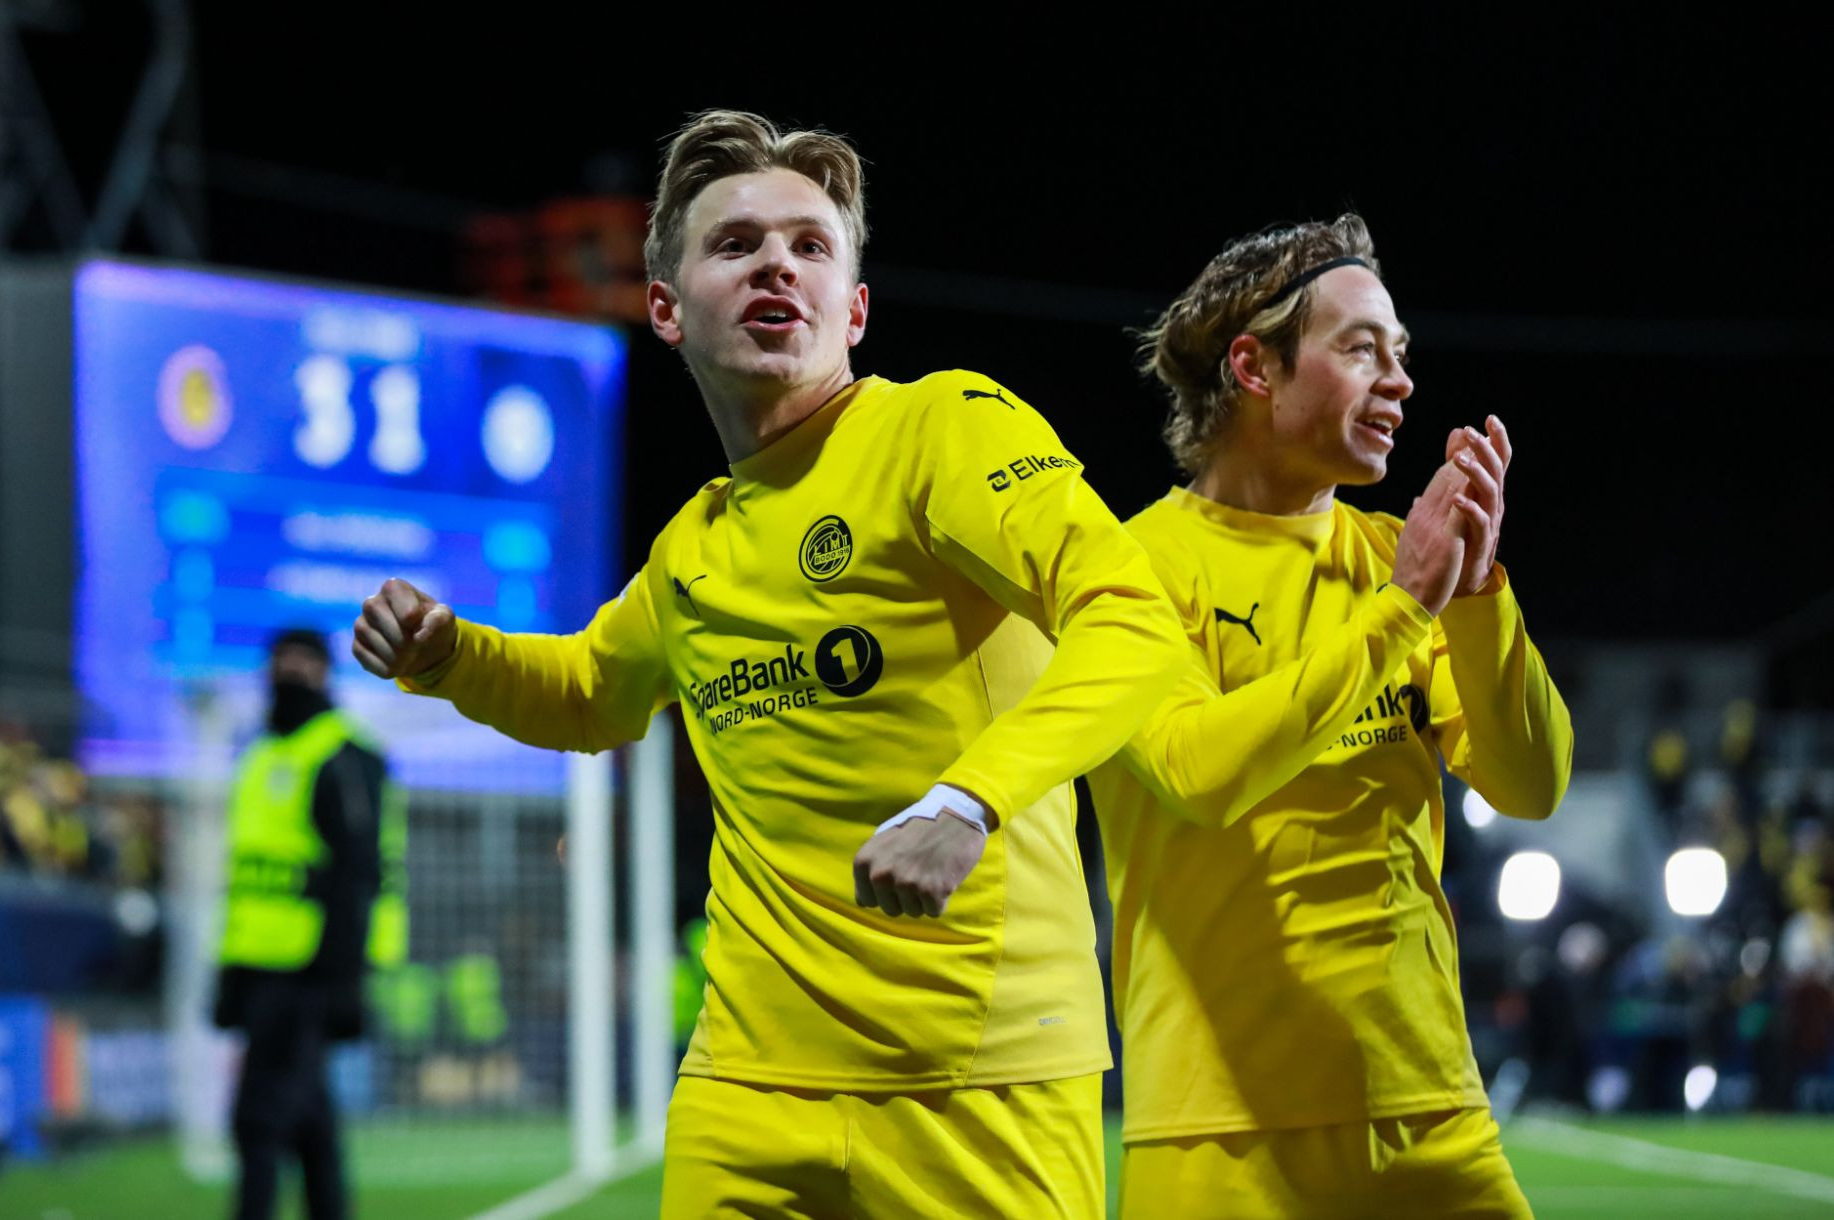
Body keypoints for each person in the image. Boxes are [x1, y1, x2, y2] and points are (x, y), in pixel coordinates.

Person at [352, 110, 1191, 1217]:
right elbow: (591, 694)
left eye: (810, 245)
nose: (776, 266)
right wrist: (451, 654)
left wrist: (967, 801)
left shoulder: (942, 429)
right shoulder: (691, 549)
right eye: (736, 244)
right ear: (666, 308)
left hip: (977, 1076)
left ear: (855, 307)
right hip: (745, 1082)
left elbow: (1134, 621)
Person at [1088, 215, 1574, 1218]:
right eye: (1362, 349)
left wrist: (1477, 598)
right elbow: (1198, 773)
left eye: (1402, 354)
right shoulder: (1128, 567)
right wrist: (1404, 610)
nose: (1399, 381)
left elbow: (1532, 784)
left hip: (1431, 1110)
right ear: (1254, 367)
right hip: (1217, 1132)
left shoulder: (1406, 560)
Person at [214, 627, 406, 1220]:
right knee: (309, 1122)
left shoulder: (344, 753)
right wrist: (231, 974)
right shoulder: (259, 755)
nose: (290, 673)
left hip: (311, 967)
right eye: (281, 661)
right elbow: (250, 876)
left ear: (325, 672)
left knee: (259, 1119)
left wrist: (345, 977)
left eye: (303, 662)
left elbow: (359, 873)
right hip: (259, 963)